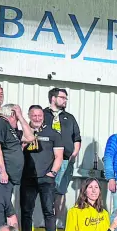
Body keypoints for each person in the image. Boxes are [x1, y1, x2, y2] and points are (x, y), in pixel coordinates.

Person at [20, 103, 62, 231]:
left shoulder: (54, 134)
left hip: (46, 178)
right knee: (26, 211)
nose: (37, 118)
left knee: (49, 211)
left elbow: (59, 156)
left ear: (43, 116)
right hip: (27, 177)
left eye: (40, 115)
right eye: (34, 115)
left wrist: (53, 173)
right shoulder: (22, 133)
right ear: (29, 116)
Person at [41, 88, 82, 219]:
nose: (65, 100)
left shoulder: (69, 118)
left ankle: (56, 222)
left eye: (66, 98)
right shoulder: (42, 114)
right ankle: (46, 220)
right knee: (47, 191)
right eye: (62, 97)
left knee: (60, 191)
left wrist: (73, 155)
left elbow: (77, 138)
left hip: (65, 161)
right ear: (53, 98)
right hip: (47, 160)